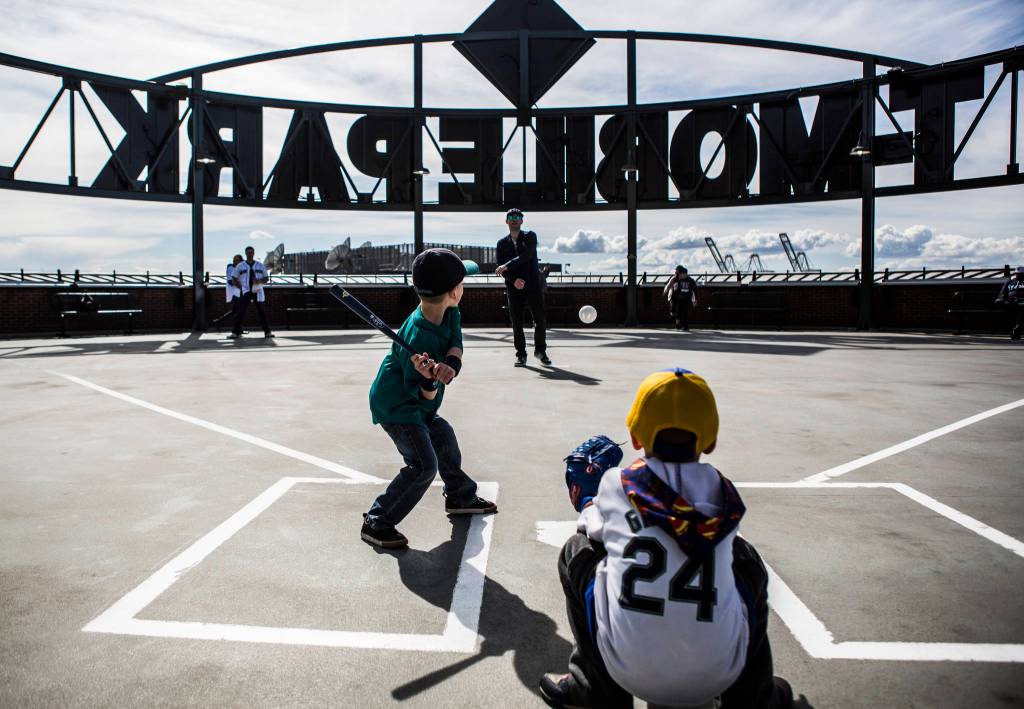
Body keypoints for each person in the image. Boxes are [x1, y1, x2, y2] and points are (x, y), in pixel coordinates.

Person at [541, 368, 797, 709]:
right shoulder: (721, 492)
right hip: (718, 673)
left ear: (634, 437)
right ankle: (755, 695)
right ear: (709, 441)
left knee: (577, 551)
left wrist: (589, 500)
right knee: (744, 558)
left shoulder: (617, 484)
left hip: (627, 670)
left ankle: (592, 688)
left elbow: (590, 525)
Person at [361, 248, 498, 549]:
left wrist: (451, 365)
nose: (464, 287)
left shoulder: (450, 311)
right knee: (423, 465)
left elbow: (455, 342)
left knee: (444, 436)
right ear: (452, 291)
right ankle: (377, 520)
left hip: (418, 404)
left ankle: (460, 496)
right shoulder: (416, 339)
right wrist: (428, 377)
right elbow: (423, 398)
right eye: (462, 282)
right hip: (398, 406)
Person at [496, 208, 550, 366]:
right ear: (506, 221)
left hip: (533, 285)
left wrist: (506, 265)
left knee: (540, 319)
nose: (514, 219)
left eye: (518, 216)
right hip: (514, 288)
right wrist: (513, 281)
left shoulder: (530, 236)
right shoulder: (501, 243)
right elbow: (501, 269)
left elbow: (527, 256)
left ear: (522, 220)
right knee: (516, 322)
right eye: (511, 216)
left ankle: (541, 351)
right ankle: (521, 355)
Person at [230, 246, 273, 339]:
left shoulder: (260, 265)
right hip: (245, 290)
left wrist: (259, 281)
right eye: (248, 252)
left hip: (257, 291)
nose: (250, 254)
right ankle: (235, 332)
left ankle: (267, 332)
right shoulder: (240, 265)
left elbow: (266, 278)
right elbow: (234, 277)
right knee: (240, 312)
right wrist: (240, 288)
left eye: (251, 252)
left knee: (262, 312)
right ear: (246, 253)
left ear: (254, 253)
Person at [663, 265, 698, 331]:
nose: (679, 275)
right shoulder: (678, 280)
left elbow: (694, 290)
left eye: (680, 274)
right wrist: (672, 292)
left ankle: (684, 326)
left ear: (683, 274)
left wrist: (694, 299)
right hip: (679, 298)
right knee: (679, 312)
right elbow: (675, 289)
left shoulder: (690, 280)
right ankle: (679, 324)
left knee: (684, 312)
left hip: (686, 299)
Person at [212, 254, 243, 327]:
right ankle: (219, 321)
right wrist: (240, 286)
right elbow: (230, 281)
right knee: (237, 311)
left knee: (236, 311)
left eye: (237, 260)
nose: (235, 262)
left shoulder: (239, 268)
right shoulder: (231, 268)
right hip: (234, 293)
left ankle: (219, 321)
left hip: (238, 292)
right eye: (234, 260)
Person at [996, 266, 1024, 340]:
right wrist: (1002, 299)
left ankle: (1016, 331)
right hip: (1010, 302)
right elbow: (1002, 293)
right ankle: (1013, 330)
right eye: (1017, 273)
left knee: (1021, 310)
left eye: (1020, 274)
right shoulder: (1010, 281)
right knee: (1002, 306)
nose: (1018, 275)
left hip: (1022, 302)